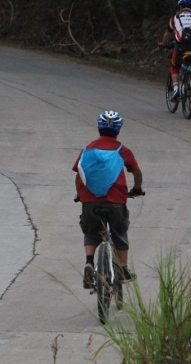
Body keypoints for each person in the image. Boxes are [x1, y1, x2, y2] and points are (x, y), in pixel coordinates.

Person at [73, 110, 143, 289]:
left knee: (91, 231)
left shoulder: (88, 148)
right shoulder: (122, 150)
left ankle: (89, 261)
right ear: (118, 131)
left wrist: (80, 194)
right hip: (115, 200)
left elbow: (79, 174)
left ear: (99, 128)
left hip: (90, 199)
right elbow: (136, 172)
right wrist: (136, 189)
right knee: (119, 232)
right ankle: (123, 270)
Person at [158, 0, 191, 101]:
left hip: (180, 46)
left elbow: (167, 33)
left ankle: (176, 89)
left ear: (181, 7)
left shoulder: (175, 18)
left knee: (175, 66)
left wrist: (163, 43)